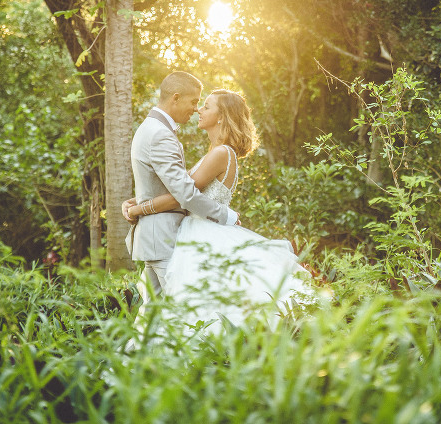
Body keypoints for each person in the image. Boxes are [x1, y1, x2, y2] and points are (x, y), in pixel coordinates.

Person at [125, 89, 313, 334]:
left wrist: (139, 209)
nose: (198, 110)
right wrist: (133, 203)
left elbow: (183, 197)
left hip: (204, 232)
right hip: (194, 230)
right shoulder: (215, 153)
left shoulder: (221, 153)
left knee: (189, 306)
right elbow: (178, 192)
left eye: (206, 106)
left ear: (222, 116)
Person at [122, 72, 240, 311]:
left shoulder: (153, 129)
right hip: (162, 237)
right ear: (175, 98)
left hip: (162, 237)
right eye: (195, 102)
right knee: (181, 312)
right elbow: (185, 193)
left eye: (202, 105)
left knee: (155, 314)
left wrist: (136, 204)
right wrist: (226, 215)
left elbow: (165, 186)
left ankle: (144, 349)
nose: (196, 109)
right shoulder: (160, 134)